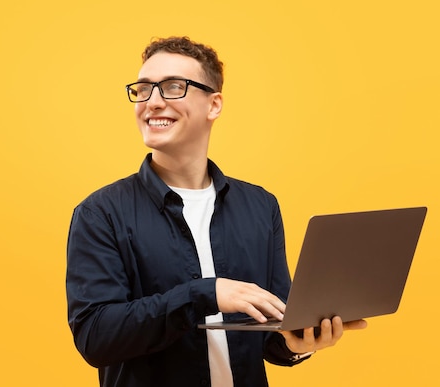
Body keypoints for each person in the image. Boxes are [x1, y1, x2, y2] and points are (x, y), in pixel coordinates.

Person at [66, 36, 366, 387]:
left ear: (214, 105)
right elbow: (95, 337)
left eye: (173, 87)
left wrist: (299, 343)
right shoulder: (100, 213)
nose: (153, 102)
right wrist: (204, 294)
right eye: (144, 89)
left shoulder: (260, 206)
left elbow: (272, 333)